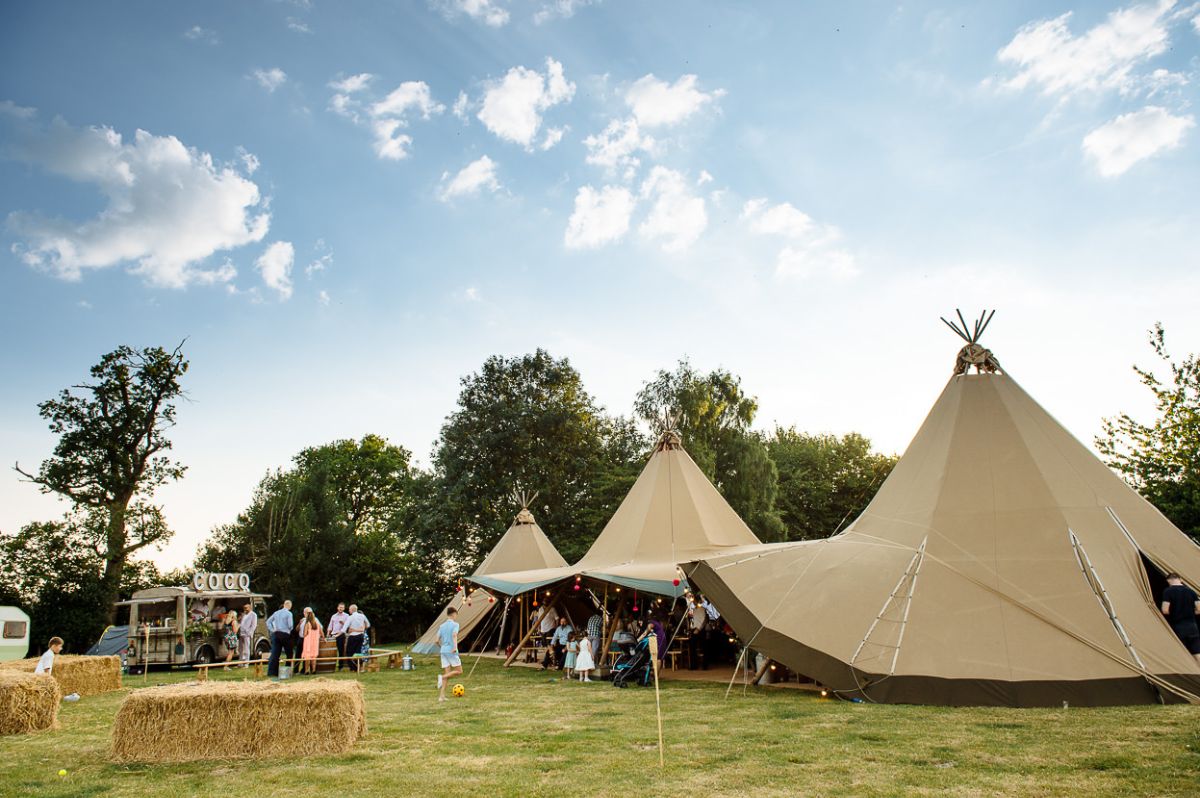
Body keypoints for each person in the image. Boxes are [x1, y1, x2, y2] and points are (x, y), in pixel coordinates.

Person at [1162, 573, 1200, 665]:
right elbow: (1199, 609)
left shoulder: (1168, 591)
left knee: (1181, 652)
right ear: (1180, 579)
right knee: (1197, 652)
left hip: (1178, 626)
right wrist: (1190, 613)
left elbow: (1165, 610)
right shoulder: (1191, 591)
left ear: (1168, 581)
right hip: (1192, 626)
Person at [436, 606, 463, 703]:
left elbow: (436, 640)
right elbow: (454, 635)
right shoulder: (455, 624)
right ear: (454, 614)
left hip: (443, 651)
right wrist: (455, 647)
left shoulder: (442, 626)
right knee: (459, 671)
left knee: (447, 674)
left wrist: (442, 647)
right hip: (451, 651)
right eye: (456, 615)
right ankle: (441, 677)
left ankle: (441, 697)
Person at [266, 600, 294, 679]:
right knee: (289, 653)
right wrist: (289, 630)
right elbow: (290, 625)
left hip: (276, 634)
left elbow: (268, 622)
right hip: (285, 634)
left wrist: (272, 630)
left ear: (284, 605)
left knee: (275, 653)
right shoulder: (289, 613)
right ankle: (287, 670)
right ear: (289, 606)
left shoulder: (276, 613)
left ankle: (272, 672)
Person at [345, 604, 371, 672]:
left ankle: (358, 667)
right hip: (360, 636)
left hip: (361, 637)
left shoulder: (360, 621)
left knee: (357, 652)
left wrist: (354, 630)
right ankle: (356, 667)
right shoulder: (360, 620)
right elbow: (367, 626)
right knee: (358, 652)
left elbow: (362, 629)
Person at [326, 602, 350, 670]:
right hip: (333, 635)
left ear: (344, 608)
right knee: (331, 651)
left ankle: (340, 666)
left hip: (341, 635)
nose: (341, 608)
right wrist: (328, 633)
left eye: (342, 607)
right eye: (340, 607)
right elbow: (330, 625)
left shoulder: (346, 616)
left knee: (340, 650)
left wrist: (343, 623)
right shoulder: (334, 616)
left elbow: (348, 626)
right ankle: (331, 665)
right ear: (337, 608)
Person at [299, 607, 323, 674]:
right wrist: (324, 638)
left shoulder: (308, 624)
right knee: (314, 656)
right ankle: (313, 670)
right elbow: (321, 632)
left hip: (308, 642)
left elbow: (304, 634)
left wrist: (305, 634)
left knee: (307, 656)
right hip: (315, 642)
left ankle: (307, 670)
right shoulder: (317, 624)